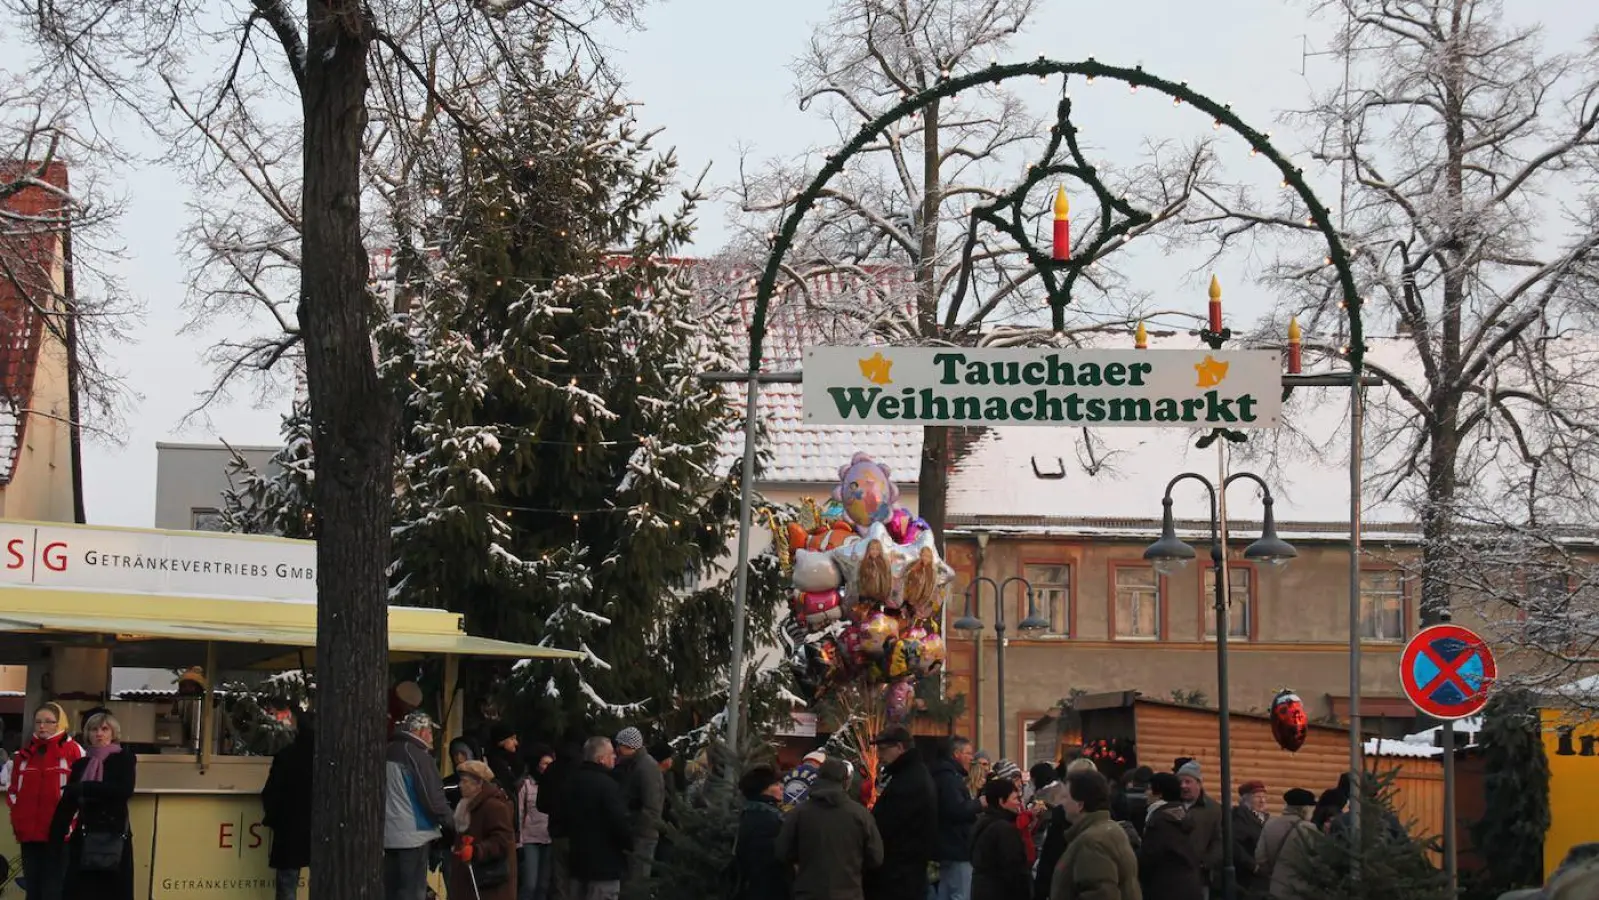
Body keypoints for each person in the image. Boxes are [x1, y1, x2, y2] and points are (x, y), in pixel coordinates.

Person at [49, 710, 136, 900]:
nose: (99, 734)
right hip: (85, 835)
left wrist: (86, 788)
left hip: (114, 836)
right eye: (94, 729)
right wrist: (54, 840)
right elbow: (67, 804)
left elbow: (123, 791)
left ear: (113, 733)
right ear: (87, 733)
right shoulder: (81, 764)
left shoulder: (124, 758)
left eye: (105, 729)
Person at [776, 757, 882, 900]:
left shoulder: (798, 814)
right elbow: (876, 858)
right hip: (849, 894)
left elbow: (782, 852)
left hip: (808, 893)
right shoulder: (861, 815)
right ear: (846, 781)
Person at [8, 701, 83, 900]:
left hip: (59, 834)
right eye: (38, 721)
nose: (42, 726)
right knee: (33, 889)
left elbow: (81, 792)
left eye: (49, 722)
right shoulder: (23, 755)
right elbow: (13, 791)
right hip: (29, 833)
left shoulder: (74, 751)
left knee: (53, 890)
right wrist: (18, 819)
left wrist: (70, 824)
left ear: (60, 724)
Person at [384, 711, 452, 900]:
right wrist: (452, 823)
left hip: (388, 834)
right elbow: (432, 799)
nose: (431, 737)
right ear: (420, 731)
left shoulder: (388, 750)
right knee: (413, 891)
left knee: (391, 890)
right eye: (430, 731)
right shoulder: (417, 755)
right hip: (414, 834)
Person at [865, 726, 937, 900]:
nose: (879, 755)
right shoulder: (908, 774)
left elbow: (888, 825)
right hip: (903, 871)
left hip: (898, 873)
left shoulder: (910, 780)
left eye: (883, 749)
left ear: (900, 747)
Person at [1049, 769, 1140, 900]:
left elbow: (1100, 893)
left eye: (1065, 797)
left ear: (1079, 804)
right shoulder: (1109, 829)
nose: (1061, 802)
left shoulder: (1093, 841)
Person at [563, 737, 631, 900]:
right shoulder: (608, 785)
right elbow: (619, 822)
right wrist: (629, 844)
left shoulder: (571, 782)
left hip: (577, 862)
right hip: (605, 865)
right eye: (611, 754)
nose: (615, 757)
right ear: (601, 759)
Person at [262, 711, 315, 900]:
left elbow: (270, 793)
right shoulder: (327, 759)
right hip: (320, 829)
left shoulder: (286, 756)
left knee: (287, 886)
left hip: (290, 829)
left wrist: (275, 819)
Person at [451, 759, 518, 900]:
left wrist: (477, 850)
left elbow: (503, 840)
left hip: (489, 882)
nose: (460, 785)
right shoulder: (465, 805)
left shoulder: (495, 806)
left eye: (465, 781)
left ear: (479, 783)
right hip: (468, 879)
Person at [612, 726, 664, 893]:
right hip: (636, 833)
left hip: (642, 835)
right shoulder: (634, 765)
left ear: (629, 746)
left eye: (620, 745)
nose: (617, 749)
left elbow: (652, 806)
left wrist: (633, 826)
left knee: (637, 883)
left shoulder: (646, 768)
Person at [930, 736, 981, 900]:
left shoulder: (943, 775)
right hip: (957, 847)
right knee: (960, 894)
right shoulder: (950, 779)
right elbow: (956, 809)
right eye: (968, 753)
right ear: (956, 754)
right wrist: (979, 804)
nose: (972, 758)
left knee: (946, 891)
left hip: (948, 847)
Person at [731, 765, 791, 900]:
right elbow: (766, 862)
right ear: (763, 790)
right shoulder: (766, 819)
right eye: (775, 784)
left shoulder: (751, 812)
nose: (781, 787)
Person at [1137, 773, 1201, 900]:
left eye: (1150, 788)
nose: (1146, 793)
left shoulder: (1160, 820)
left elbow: (1149, 856)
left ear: (1159, 793)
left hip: (1166, 889)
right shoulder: (1179, 815)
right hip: (1188, 886)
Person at [970, 778, 1029, 900]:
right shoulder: (1003, 829)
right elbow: (1014, 869)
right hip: (1000, 892)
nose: (1019, 802)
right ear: (1001, 801)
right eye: (1015, 799)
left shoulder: (982, 822)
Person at [1253, 789, 1318, 900]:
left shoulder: (1270, 824)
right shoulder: (1308, 829)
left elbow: (1260, 857)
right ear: (1305, 809)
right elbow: (1316, 861)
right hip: (1301, 889)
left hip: (1276, 888)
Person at [1175, 760, 1222, 892]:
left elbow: (1219, 841)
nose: (1183, 786)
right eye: (1180, 782)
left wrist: (1205, 863)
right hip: (1172, 876)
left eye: (1188, 782)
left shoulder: (1213, 809)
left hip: (1199, 877)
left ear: (1199, 783)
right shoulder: (1171, 805)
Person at [518, 747, 556, 900]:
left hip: (549, 838)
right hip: (529, 840)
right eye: (545, 763)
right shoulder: (526, 784)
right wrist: (519, 841)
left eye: (550, 764)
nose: (548, 767)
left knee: (543, 886)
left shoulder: (555, 784)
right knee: (530, 884)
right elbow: (520, 812)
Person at [1231, 781, 1268, 898]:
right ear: (1246, 799)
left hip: (1263, 876)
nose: (1262, 801)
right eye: (1257, 797)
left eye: (1264, 797)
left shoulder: (1266, 818)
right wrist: (1253, 865)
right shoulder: (1239, 816)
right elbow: (1235, 844)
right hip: (1246, 876)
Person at [444, 739, 478, 808]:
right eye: (455, 754)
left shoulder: (487, 781)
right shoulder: (446, 785)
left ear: (472, 755)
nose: (459, 758)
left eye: (463, 754)